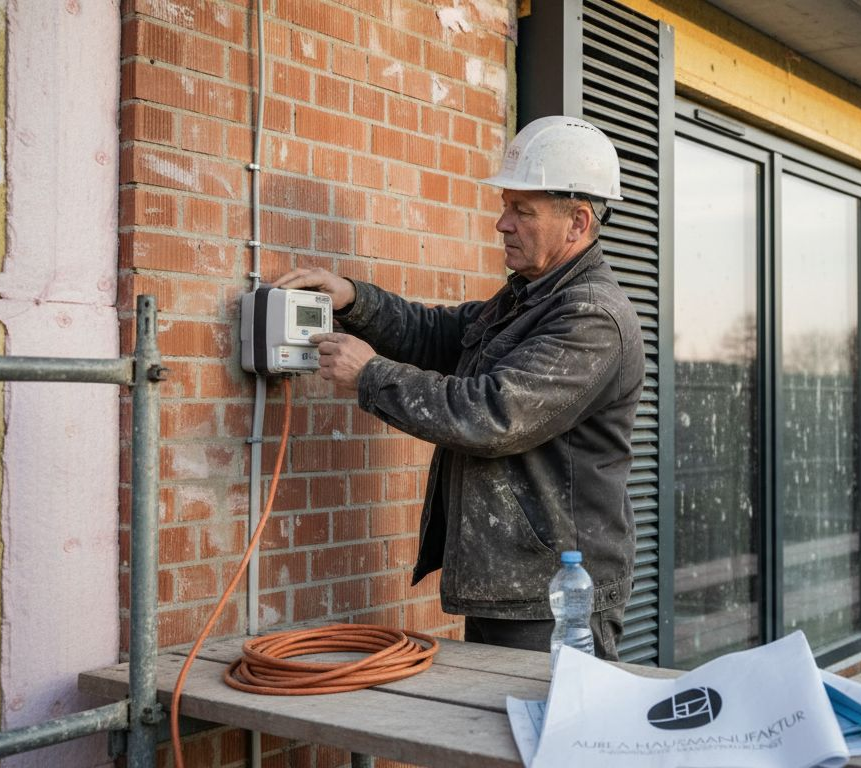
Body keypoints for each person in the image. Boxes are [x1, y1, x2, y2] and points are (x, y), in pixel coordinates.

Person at [274, 116, 644, 659]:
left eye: (522, 210)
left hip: (554, 599)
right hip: (516, 586)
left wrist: (370, 374)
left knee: (545, 716)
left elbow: (493, 415)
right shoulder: (530, 297)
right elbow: (441, 334)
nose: (502, 223)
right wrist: (354, 299)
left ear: (577, 222)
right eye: (505, 205)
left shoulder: (590, 317)